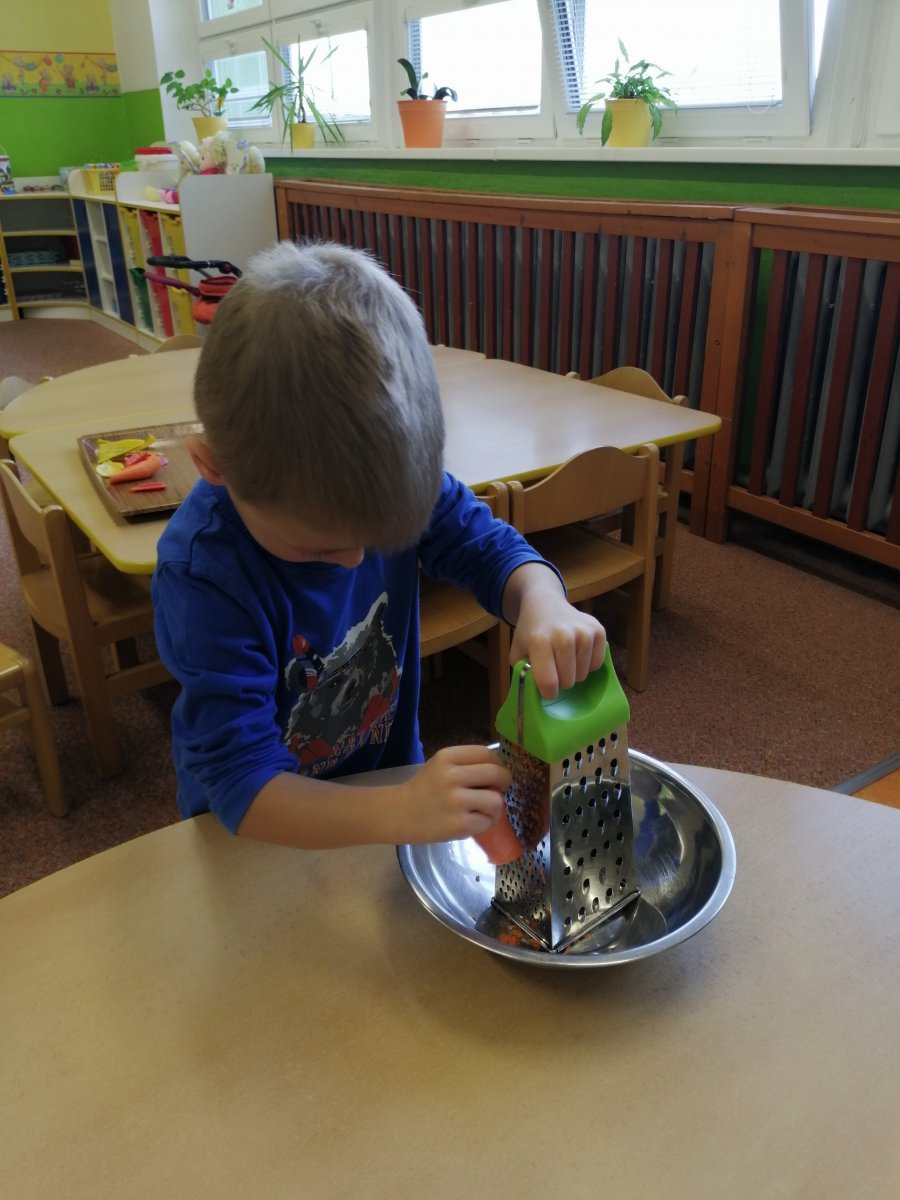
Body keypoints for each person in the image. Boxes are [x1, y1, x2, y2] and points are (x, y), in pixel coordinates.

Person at [152, 240, 606, 851]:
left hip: (388, 797)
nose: (355, 563)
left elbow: (493, 552)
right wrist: (399, 810)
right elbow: (242, 783)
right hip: (258, 837)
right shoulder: (203, 577)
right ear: (213, 466)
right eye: (320, 552)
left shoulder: (385, 488)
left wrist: (542, 603)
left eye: (379, 539)